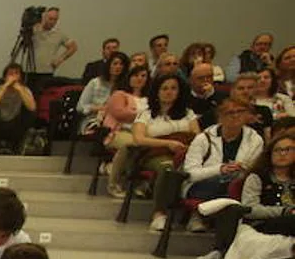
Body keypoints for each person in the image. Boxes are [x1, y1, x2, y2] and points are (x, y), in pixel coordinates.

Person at [199, 131, 295, 259]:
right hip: (265, 223)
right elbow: (251, 208)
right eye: (278, 150)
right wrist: (284, 211)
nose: (282, 154)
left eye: (288, 149)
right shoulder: (257, 177)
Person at [132, 75, 201, 231]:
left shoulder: (188, 113)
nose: (169, 92)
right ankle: (159, 214)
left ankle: (196, 215)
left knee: (198, 171)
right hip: (156, 154)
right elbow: (139, 139)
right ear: (156, 91)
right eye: (164, 88)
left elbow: (198, 137)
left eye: (173, 88)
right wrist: (168, 143)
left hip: (186, 154)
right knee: (168, 168)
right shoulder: (146, 114)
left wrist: (184, 148)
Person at [180, 99, 263, 213]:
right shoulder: (203, 138)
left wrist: (242, 167)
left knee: (238, 184)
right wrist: (220, 169)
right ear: (220, 117)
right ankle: (204, 215)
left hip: (238, 182)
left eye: (240, 111)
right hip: (203, 184)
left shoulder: (255, 139)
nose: (236, 116)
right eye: (230, 113)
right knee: (224, 185)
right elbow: (190, 174)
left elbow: (255, 169)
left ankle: (203, 215)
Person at [105, 64, 153, 196]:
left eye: (143, 76)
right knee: (131, 145)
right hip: (120, 132)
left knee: (150, 145)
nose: (140, 78)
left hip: (145, 133)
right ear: (129, 77)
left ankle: (143, 183)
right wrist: (143, 115)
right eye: (136, 75)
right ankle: (114, 183)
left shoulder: (151, 99)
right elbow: (120, 114)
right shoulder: (120, 94)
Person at [0, 63, 37, 155]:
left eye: (16, 74)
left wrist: (20, 89)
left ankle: (15, 145)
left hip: (15, 123)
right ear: (5, 77)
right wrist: (5, 86)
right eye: (10, 74)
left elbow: (32, 108)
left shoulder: (24, 89)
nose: (13, 77)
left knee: (30, 115)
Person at [76, 53, 128, 135]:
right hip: (94, 120)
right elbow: (80, 107)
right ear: (109, 65)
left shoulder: (126, 86)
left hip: (117, 122)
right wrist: (100, 108)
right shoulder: (95, 83)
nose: (118, 67)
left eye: (121, 64)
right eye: (115, 63)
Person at [30, 6, 77, 85]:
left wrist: (60, 59)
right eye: (50, 19)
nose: (52, 22)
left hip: (46, 72)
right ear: (44, 17)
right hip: (29, 71)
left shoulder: (59, 34)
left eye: (55, 20)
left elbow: (73, 47)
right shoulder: (33, 30)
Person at [184, 62, 224, 129]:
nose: (206, 80)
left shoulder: (223, 97)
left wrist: (209, 96)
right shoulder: (183, 98)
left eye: (209, 77)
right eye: (201, 78)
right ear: (191, 80)